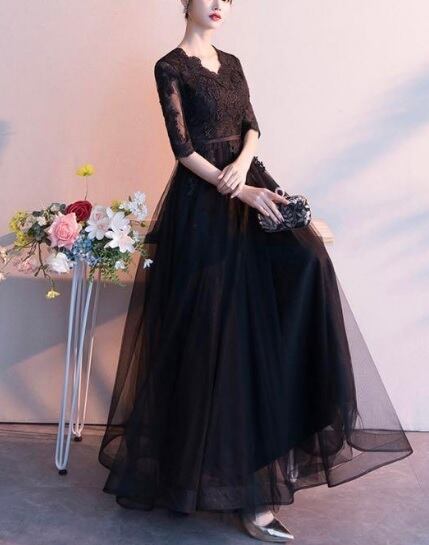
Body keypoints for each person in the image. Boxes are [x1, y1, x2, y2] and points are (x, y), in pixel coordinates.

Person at [98, 0, 413, 542]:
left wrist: (245, 168)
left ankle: (281, 436)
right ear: (186, 3)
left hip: (251, 181)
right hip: (204, 202)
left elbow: (252, 125)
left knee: (308, 262)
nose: (220, 4)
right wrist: (234, 187)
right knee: (222, 333)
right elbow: (182, 148)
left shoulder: (234, 63)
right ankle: (243, 493)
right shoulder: (169, 66)